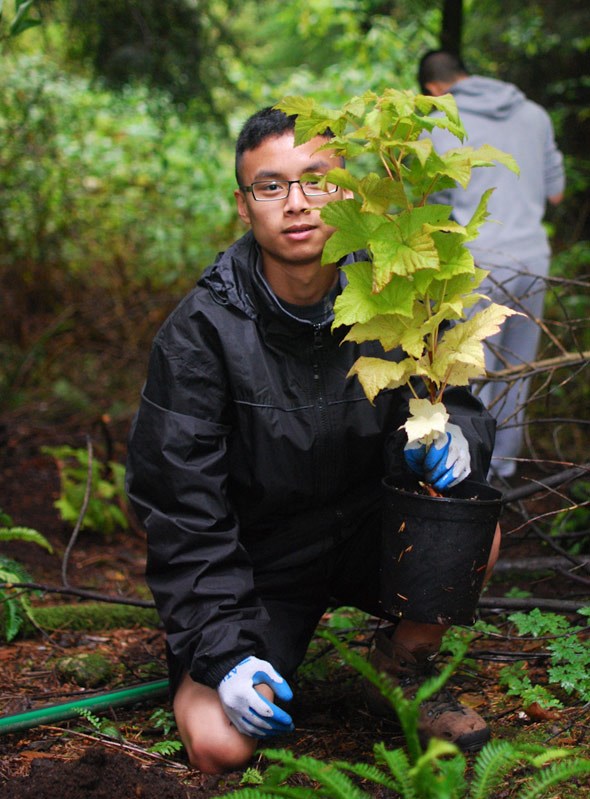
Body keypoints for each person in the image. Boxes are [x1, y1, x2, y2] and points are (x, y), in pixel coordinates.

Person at [125, 106, 501, 775]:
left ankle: (398, 662)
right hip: (260, 562)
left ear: (348, 190)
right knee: (219, 743)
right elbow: (182, 510)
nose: (296, 204)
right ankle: (239, 663)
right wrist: (223, 653)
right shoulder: (202, 332)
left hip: (366, 531)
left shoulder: (397, 289)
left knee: (477, 528)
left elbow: (458, 399)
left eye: (315, 179)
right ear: (244, 206)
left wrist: (453, 439)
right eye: (270, 186)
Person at [418, 50, 566, 479]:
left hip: (476, 264)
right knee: (516, 374)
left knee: (468, 373)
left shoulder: (440, 121)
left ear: (433, 89)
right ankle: (503, 470)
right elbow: (555, 193)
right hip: (533, 259)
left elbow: (434, 204)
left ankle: (472, 479)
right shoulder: (535, 114)